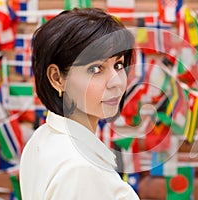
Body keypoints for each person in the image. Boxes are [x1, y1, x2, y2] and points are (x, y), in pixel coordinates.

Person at [19, 8, 139, 199]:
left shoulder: (44, 136)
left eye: (118, 64)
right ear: (57, 78)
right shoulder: (82, 168)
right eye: (96, 69)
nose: (116, 82)